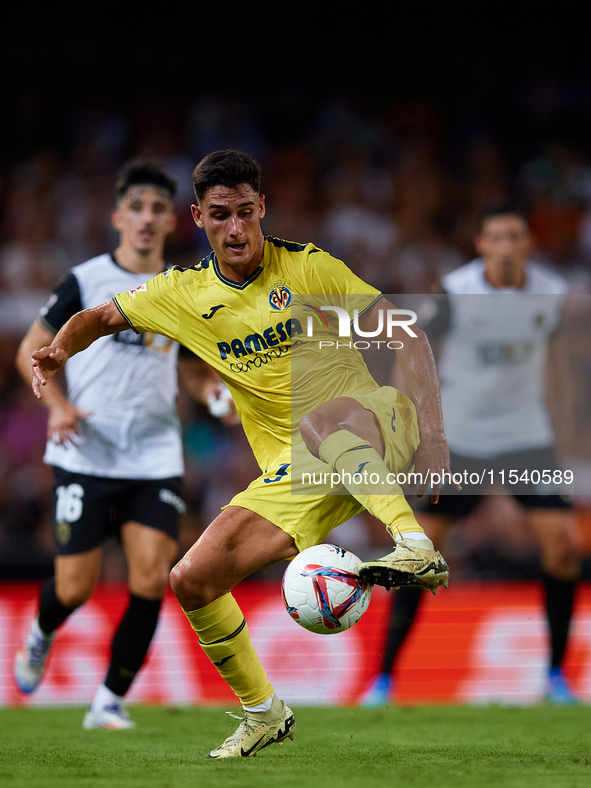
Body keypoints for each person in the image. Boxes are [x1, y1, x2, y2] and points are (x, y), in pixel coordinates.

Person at [29, 149, 455, 758]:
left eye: (247, 213)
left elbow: (407, 333)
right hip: (298, 469)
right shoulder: (183, 293)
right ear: (199, 217)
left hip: (376, 420)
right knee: (192, 578)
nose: (237, 228)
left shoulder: (308, 268)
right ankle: (264, 711)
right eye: (222, 214)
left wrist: (434, 436)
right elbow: (100, 316)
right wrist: (58, 353)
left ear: (263, 210)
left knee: (321, 418)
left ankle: (415, 547)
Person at [14, 160, 229, 729]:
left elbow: (187, 367)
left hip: (155, 454)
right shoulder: (85, 281)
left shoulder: (181, 288)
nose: (147, 218)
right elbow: (30, 349)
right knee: (75, 587)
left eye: (158, 209)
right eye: (137, 207)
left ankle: (108, 700)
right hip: (86, 451)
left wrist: (210, 391)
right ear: (118, 216)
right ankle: (41, 630)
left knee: (151, 576)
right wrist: (58, 406)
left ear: (172, 222)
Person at [361, 202, 580, 707]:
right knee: (419, 556)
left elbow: (557, 361)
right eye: (496, 238)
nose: (506, 247)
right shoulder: (456, 293)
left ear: (528, 242)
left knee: (564, 548)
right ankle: (384, 679)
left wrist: (563, 425)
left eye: (515, 237)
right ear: (481, 244)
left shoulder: (549, 294)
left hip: (528, 438)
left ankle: (554, 679)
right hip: (459, 441)